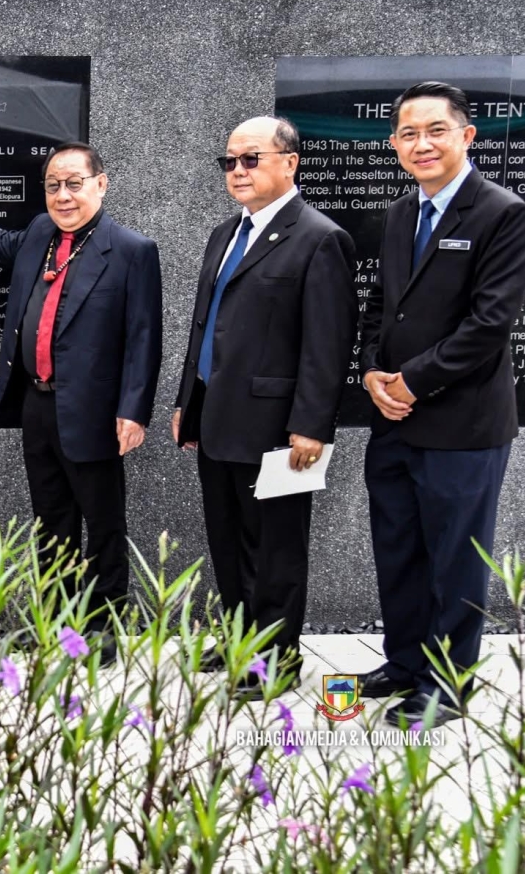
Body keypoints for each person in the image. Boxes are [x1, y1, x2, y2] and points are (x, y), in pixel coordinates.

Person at [0, 143, 163, 656]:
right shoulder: (41, 233)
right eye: (53, 186)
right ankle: (55, 625)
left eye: (74, 184)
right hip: (38, 405)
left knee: (103, 525)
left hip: (94, 412)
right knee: (52, 523)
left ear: (101, 184)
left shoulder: (132, 250)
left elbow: (144, 337)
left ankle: (102, 629)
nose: (63, 196)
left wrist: (133, 411)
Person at [358, 81, 525, 727]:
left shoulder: (503, 213)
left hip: (463, 425)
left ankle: (448, 683)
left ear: (467, 135)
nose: (422, 143)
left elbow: (488, 325)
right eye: (408, 133)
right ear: (394, 144)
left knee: (456, 558)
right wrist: (371, 372)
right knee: (399, 549)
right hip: (393, 421)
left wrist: (411, 382)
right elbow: (383, 305)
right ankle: (406, 662)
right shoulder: (402, 213)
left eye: (435, 130)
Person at [172, 116, 356, 699]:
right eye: (229, 161)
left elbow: (328, 344)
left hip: (278, 430)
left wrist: (312, 426)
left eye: (250, 159)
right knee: (228, 544)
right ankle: (240, 642)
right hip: (217, 418)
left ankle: (276, 660)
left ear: (290, 162)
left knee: (274, 550)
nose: (237, 171)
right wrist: (188, 401)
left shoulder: (319, 238)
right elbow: (206, 326)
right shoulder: (226, 232)